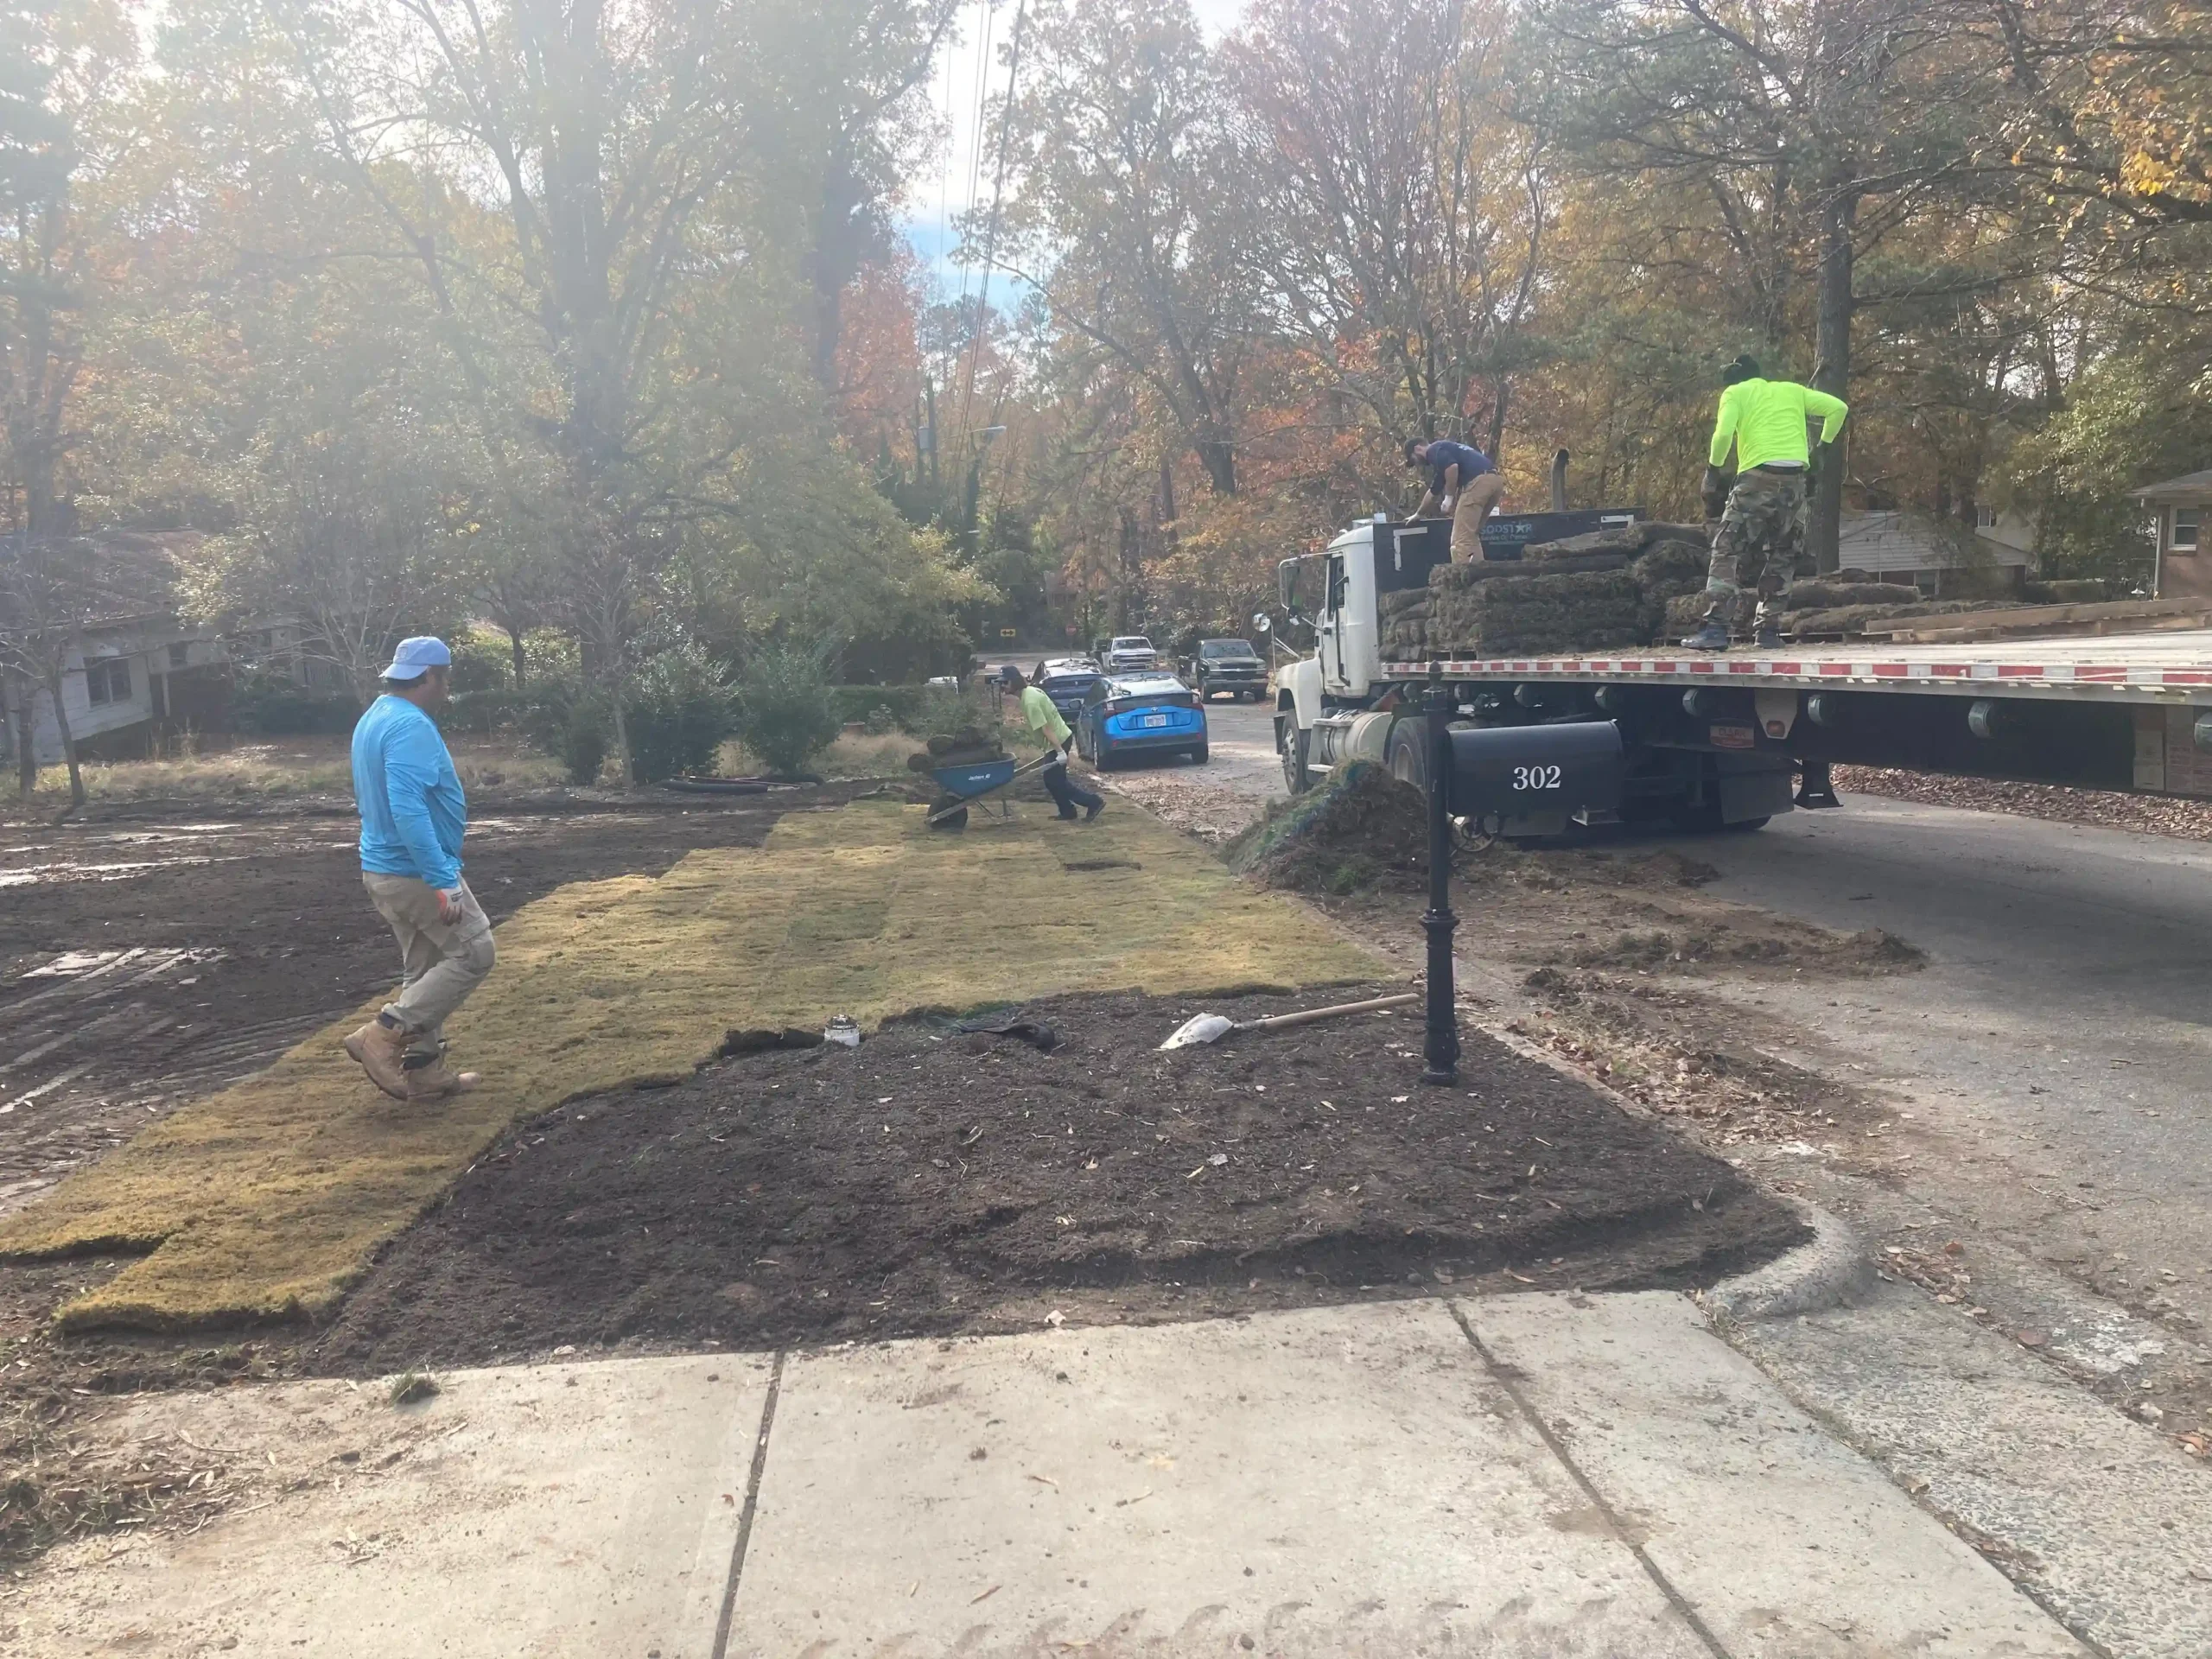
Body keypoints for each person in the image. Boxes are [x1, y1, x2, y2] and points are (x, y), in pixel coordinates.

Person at [342, 636, 496, 1102]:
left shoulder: (376, 716)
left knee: (425, 966)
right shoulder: (410, 725)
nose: (447, 689)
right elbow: (407, 807)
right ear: (429, 676)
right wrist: (442, 879)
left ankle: (425, 1070)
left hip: (384, 869)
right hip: (413, 871)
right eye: (445, 678)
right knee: (475, 952)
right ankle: (384, 1033)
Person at [1686, 354, 1849, 651]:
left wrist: (1712, 471)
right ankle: (1768, 631)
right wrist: (1821, 451)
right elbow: (1839, 408)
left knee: (1727, 547)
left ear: (1734, 379)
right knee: (1784, 553)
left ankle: (1716, 629)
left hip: (1757, 479)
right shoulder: (1792, 390)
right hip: (1794, 481)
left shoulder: (1735, 393)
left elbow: (1722, 435)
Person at [1001, 664, 1103, 822]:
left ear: (1014, 682)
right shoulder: (1030, 693)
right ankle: (1068, 811)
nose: (1002, 686)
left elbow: (1046, 728)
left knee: (1055, 781)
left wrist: (1060, 751)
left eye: (1005, 682)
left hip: (1058, 740)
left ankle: (1093, 802)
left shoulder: (1030, 701)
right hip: (1058, 739)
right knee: (1053, 780)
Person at [1405, 436, 1506, 562]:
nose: (1417, 464)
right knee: (1470, 535)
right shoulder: (1446, 452)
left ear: (1417, 449)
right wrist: (1419, 513)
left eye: (1413, 460)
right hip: (1495, 481)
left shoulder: (1434, 450)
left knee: (1460, 539)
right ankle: (1479, 570)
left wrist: (1449, 497)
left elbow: (1452, 467)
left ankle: (1462, 574)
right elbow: (1433, 492)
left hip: (1478, 483)